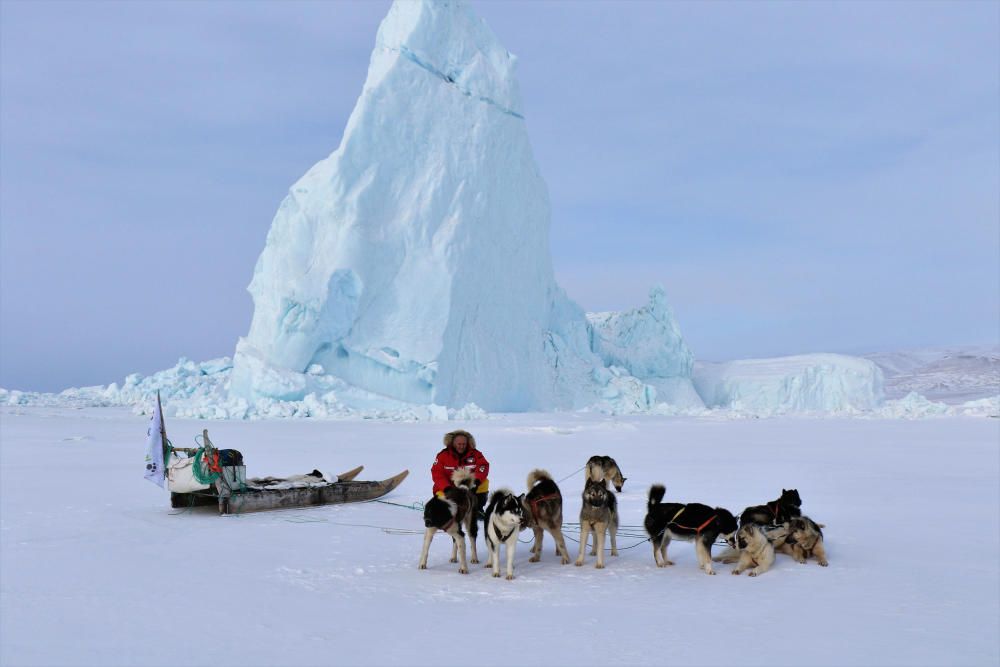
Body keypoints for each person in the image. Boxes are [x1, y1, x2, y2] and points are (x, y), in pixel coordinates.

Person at [431, 429, 489, 518]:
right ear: (453, 443)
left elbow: (483, 467)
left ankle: (477, 509)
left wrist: (475, 482)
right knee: (443, 508)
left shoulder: (476, 454)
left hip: (469, 488)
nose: (461, 447)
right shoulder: (443, 456)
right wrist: (447, 489)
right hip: (449, 488)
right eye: (459, 444)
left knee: (484, 482)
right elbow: (437, 474)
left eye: (464, 444)